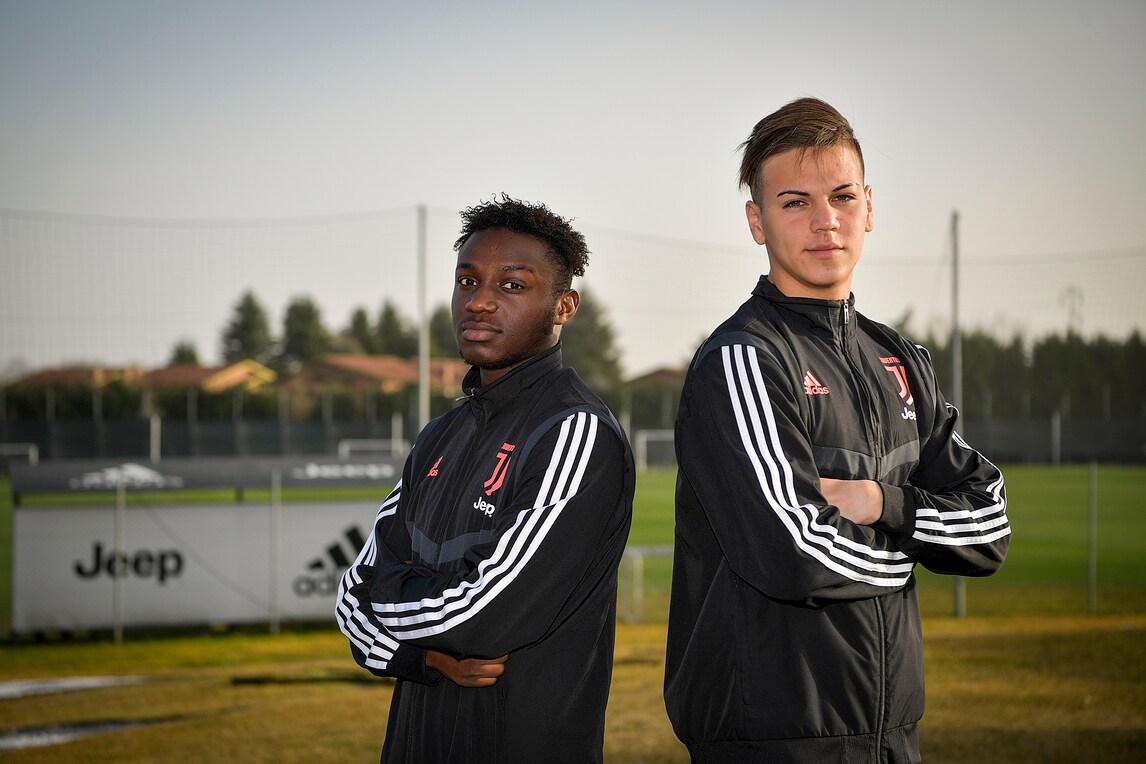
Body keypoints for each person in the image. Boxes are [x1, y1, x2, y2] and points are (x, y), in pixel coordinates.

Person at [664, 98, 1011, 762]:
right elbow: (796, 553)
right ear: (757, 222)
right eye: (795, 202)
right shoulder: (743, 360)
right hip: (774, 741)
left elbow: (990, 527)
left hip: (891, 734)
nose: (825, 221)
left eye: (842, 196)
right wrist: (918, 552)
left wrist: (885, 504)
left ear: (869, 207)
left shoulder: (902, 360)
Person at [336, 194, 635, 763]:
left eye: (512, 285)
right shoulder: (437, 436)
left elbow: (479, 615)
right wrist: (423, 658)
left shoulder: (574, 431)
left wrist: (389, 606)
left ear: (564, 306)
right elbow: (351, 596)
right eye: (467, 281)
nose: (479, 302)